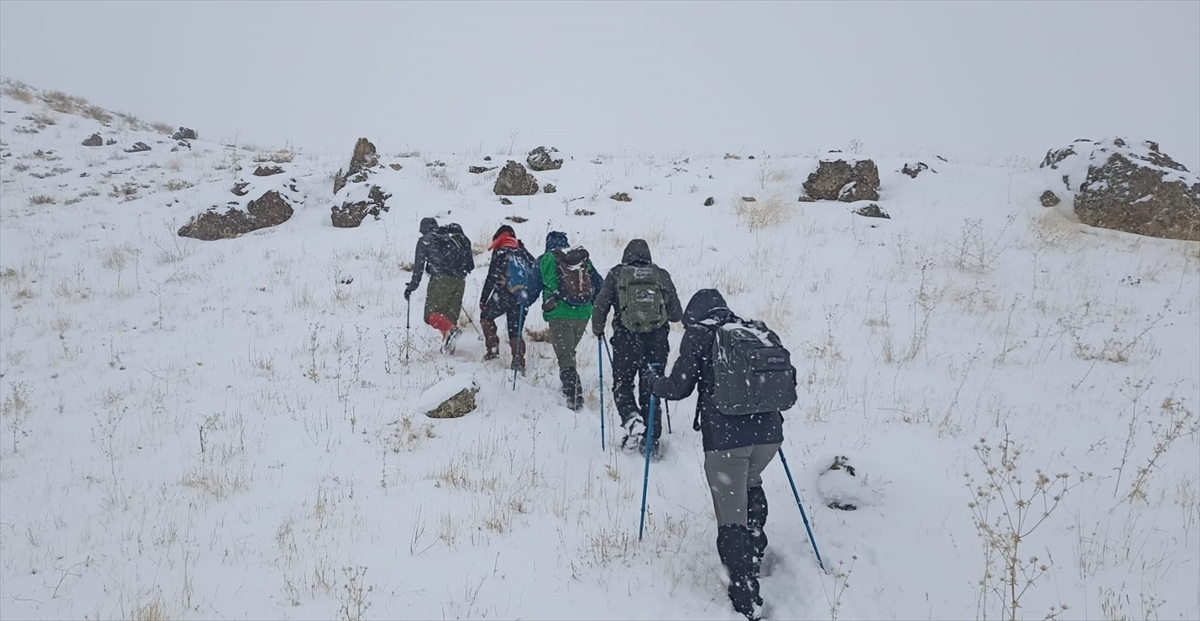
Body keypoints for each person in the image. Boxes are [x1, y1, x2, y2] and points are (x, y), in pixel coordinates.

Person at [646, 289, 785, 621]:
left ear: (695, 316)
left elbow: (678, 387)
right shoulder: (757, 331)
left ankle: (745, 595)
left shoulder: (699, 336)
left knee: (730, 516)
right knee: (751, 484)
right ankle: (755, 547)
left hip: (727, 441)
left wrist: (653, 382)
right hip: (769, 436)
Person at [590, 239, 682, 455]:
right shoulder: (660, 275)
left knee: (623, 384)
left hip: (626, 340)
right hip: (657, 341)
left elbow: (600, 305)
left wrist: (598, 328)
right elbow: (677, 313)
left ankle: (631, 418)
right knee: (652, 388)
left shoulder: (617, 274)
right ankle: (651, 441)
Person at [539, 231, 603, 411]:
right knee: (569, 351)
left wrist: (522, 299)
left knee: (565, 356)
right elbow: (599, 284)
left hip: (559, 314)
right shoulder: (583, 260)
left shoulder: (547, 259)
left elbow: (533, 286)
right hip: (583, 314)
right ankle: (567, 388)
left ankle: (574, 399)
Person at [404, 217, 473, 354]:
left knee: (430, 315)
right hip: (460, 280)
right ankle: (449, 348)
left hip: (441, 279)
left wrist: (411, 286)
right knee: (449, 316)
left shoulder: (426, 241)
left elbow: (419, 267)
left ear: (423, 229)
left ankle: (452, 332)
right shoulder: (450, 238)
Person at [479, 225, 538, 369]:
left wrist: (483, 299)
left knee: (486, 317)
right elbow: (536, 271)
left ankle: (493, 350)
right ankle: (518, 362)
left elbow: (491, 277)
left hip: (502, 295)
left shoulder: (500, 251)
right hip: (521, 297)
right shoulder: (522, 251)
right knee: (515, 330)